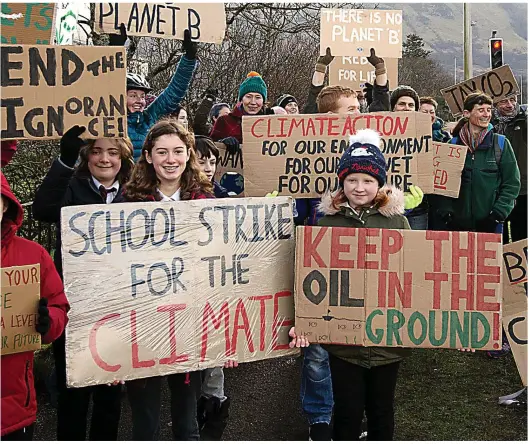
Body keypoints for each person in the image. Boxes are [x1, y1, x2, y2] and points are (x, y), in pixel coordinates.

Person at [290, 128, 411, 441]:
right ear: (341, 182)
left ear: (380, 183)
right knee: (347, 411)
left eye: (368, 181)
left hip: (388, 341)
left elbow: (414, 272)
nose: (360, 187)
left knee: (382, 411)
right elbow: (313, 275)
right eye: (352, 180)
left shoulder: (397, 221)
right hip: (343, 344)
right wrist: (306, 320)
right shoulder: (327, 221)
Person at [123, 120, 238, 440]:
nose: (170, 159)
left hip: (192, 322)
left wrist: (226, 337)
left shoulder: (207, 204)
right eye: (162, 152)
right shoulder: (127, 205)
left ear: (188, 155)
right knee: (145, 423)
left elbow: (224, 272)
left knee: (187, 419)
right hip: (143, 324)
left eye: (177, 151)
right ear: (147, 156)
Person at [32, 126, 135, 440]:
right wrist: (63, 161)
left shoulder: (136, 193)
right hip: (76, 307)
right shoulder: (72, 186)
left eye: (112, 152)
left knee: (110, 396)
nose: (104, 159)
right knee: (73, 394)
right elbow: (42, 209)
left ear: (123, 157)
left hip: (119, 307)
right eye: (97, 151)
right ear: (86, 155)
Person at [1, 172, 69, 440]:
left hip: (13, 405)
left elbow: (58, 306)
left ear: (5, 205)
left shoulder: (32, 255)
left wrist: (47, 321)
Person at [429, 92, 520, 233]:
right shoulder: (452, 145)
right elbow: (442, 185)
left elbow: (511, 184)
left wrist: (497, 215)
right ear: (466, 113)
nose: (486, 114)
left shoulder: (501, 144)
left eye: (489, 110)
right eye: (481, 110)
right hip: (456, 226)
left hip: (491, 225)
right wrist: (447, 214)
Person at [127, 29, 198, 160]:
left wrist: (189, 58)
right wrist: (113, 45)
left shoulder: (149, 117)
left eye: (142, 96)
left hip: (146, 180)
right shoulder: (108, 122)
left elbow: (174, 92)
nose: (139, 101)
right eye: (133, 95)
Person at [492, 94, 527, 243]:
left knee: (522, 236)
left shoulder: (524, 121)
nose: (510, 105)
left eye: (513, 100)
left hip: (522, 189)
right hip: (495, 190)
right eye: (504, 101)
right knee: (498, 237)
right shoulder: (488, 123)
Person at [210, 71, 272, 153]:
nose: (253, 102)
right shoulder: (224, 121)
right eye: (248, 97)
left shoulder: (271, 123)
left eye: (258, 97)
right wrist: (222, 142)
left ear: (263, 101)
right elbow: (210, 146)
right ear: (241, 99)